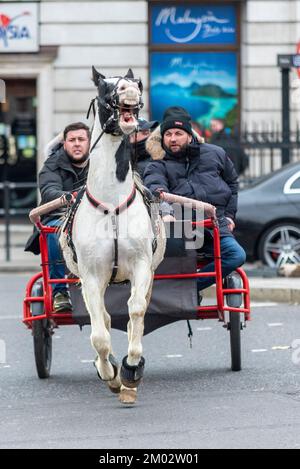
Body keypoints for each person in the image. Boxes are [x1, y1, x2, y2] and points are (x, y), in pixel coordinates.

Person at [143, 106, 246, 295]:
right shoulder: (157, 165)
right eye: (168, 134)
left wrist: (230, 216)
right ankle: (181, 289)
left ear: (190, 135)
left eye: (178, 133)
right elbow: (156, 191)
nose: (173, 138)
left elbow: (232, 183)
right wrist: (166, 212)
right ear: (163, 138)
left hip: (216, 225)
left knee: (236, 255)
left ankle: (186, 289)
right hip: (183, 229)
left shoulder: (216, 153)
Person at [26, 122, 90, 312]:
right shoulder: (51, 166)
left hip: (97, 217)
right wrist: (78, 195)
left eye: (81, 139)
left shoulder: (100, 163)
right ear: (64, 144)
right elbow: (49, 191)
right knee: (53, 233)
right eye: (72, 140)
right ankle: (59, 293)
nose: (77, 144)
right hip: (60, 216)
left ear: (89, 143)